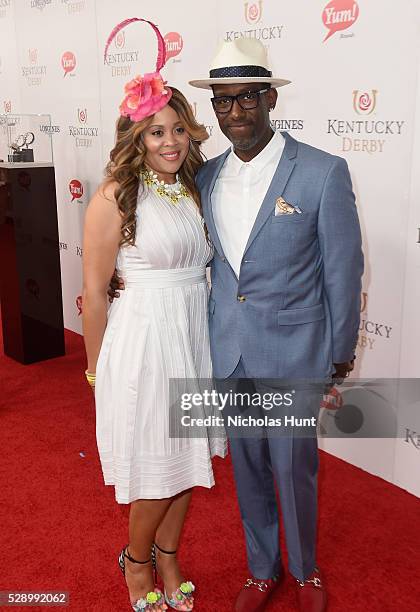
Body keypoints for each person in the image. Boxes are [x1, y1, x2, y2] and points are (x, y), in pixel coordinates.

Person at [189, 39, 364, 612]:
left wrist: (337, 356)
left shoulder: (321, 171)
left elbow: (342, 269)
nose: (234, 114)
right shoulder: (206, 177)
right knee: (249, 467)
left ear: (269, 98)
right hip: (231, 350)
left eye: (246, 99)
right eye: (222, 102)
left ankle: (306, 571)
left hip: (294, 351)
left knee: (294, 468)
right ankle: (262, 568)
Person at [82, 19, 226, 612]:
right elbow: (93, 289)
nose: (171, 143)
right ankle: (136, 561)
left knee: (187, 459)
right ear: (135, 137)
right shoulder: (116, 194)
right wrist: (96, 370)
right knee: (154, 465)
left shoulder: (192, 187)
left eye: (178, 131)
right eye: (156, 132)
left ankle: (169, 555)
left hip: (192, 333)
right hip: (144, 340)